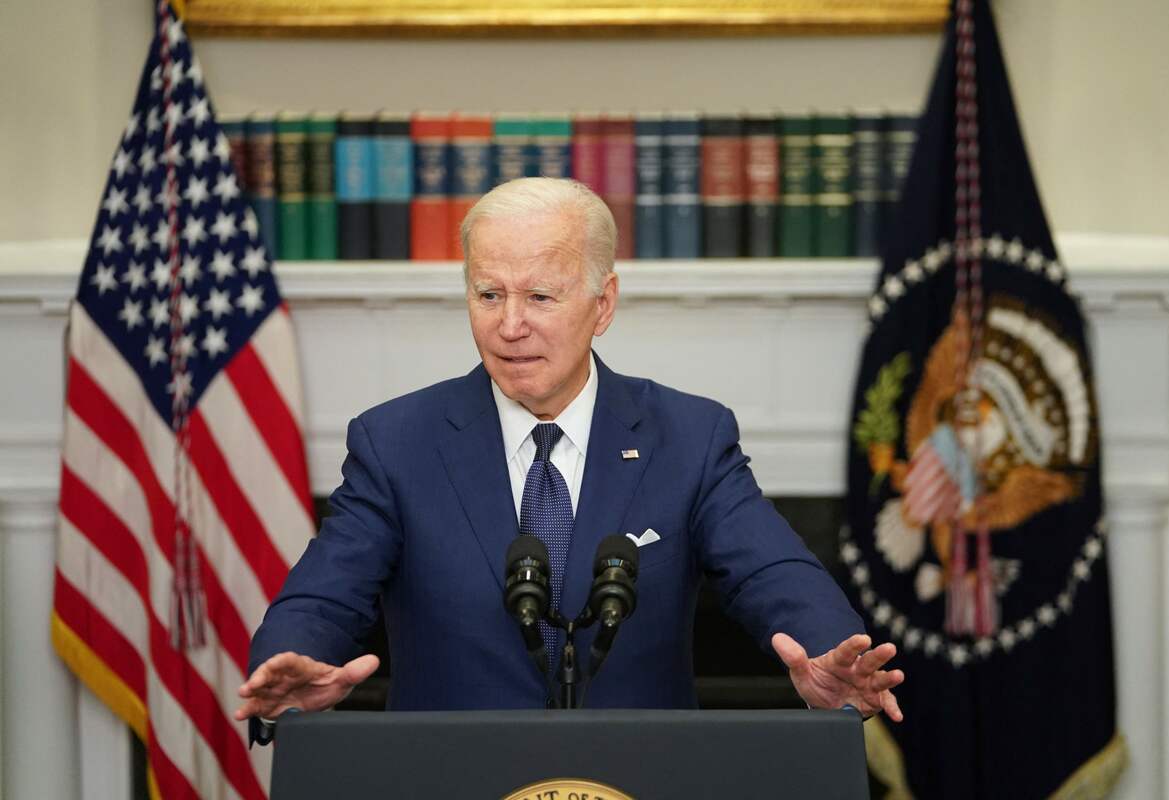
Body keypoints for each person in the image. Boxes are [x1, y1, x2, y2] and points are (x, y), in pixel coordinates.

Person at [235, 177, 904, 733]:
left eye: (540, 297)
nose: (509, 325)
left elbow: (774, 574)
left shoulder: (688, 436)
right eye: (488, 293)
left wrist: (829, 653)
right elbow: (325, 595)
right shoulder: (397, 442)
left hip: (637, 779)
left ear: (602, 304)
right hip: (451, 780)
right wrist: (291, 663)